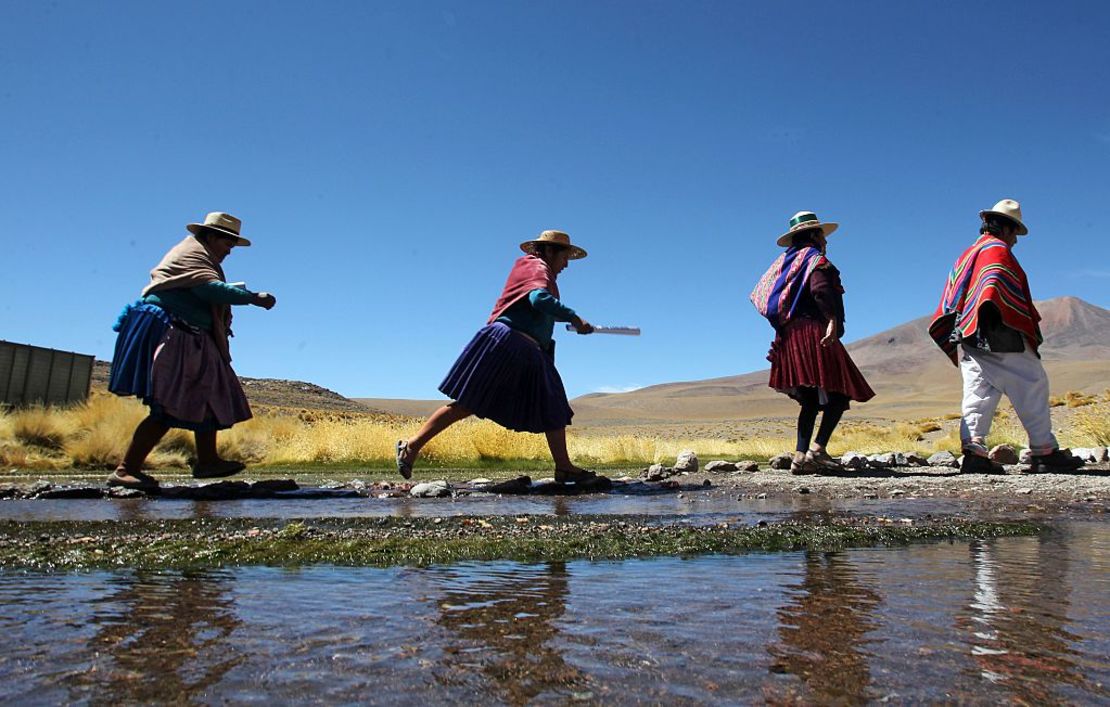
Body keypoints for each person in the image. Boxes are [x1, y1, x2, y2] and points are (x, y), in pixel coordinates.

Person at [396, 230, 597, 483]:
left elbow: (540, 308)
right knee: (469, 402)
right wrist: (574, 317)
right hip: (509, 343)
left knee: (553, 404)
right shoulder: (536, 266)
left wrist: (572, 323)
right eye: (564, 257)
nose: (566, 264)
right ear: (548, 252)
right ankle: (411, 446)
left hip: (528, 350)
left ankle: (564, 466)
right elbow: (538, 298)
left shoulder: (538, 272)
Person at [106, 212, 277, 489]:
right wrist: (251, 298)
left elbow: (206, 288)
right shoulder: (191, 254)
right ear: (211, 236)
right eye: (226, 244)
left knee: (208, 395)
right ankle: (126, 470)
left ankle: (207, 461)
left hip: (192, 336)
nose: (228, 251)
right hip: (172, 333)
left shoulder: (203, 258)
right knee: (168, 404)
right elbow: (208, 290)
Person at [928, 199, 1083, 474]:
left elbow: (956, 294)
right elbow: (993, 282)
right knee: (1031, 383)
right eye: (1015, 234)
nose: (1015, 241)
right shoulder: (996, 250)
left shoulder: (967, 253)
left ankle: (974, 453)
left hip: (966, 332)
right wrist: (994, 313)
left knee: (979, 391)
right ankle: (1043, 451)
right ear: (1006, 229)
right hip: (997, 330)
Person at [751, 211, 875, 474]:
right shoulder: (815, 260)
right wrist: (831, 319)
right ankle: (817, 450)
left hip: (789, 335)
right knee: (840, 392)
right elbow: (820, 289)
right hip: (813, 332)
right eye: (822, 235)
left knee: (809, 399)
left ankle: (799, 456)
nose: (826, 241)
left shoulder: (786, 264)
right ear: (814, 235)